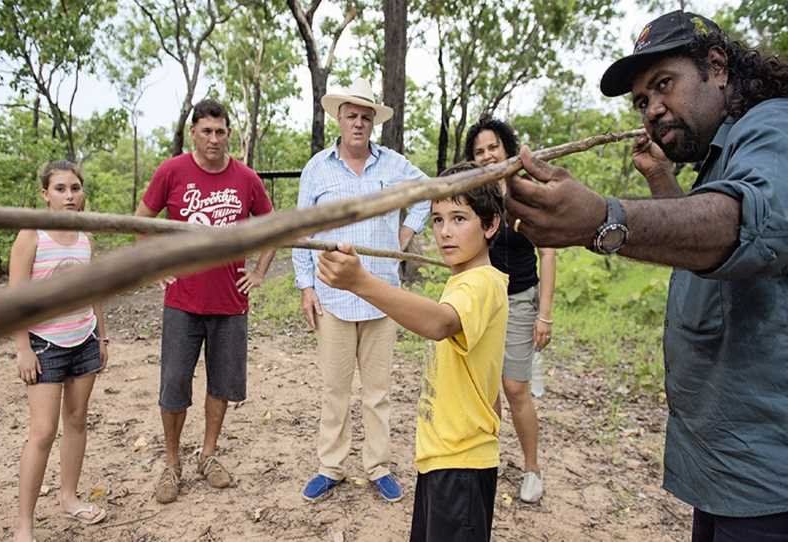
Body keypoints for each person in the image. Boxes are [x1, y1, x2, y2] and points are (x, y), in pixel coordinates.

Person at [503, 11, 788, 541]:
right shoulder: (723, 159)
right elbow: (702, 253)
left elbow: (744, 222)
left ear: (717, 68)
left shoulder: (774, 126)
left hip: (770, 487)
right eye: (641, 101)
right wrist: (660, 177)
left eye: (664, 85)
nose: (653, 110)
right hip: (731, 476)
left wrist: (604, 218)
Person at [318, 162, 508, 541]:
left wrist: (360, 282)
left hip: (461, 466)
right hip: (442, 458)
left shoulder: (481, 283)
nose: (445, 231)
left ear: (490, 225)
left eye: (459, 218)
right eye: (437, 219)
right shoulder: (464, 280)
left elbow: (438, 323)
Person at [292, 78, 431, 503]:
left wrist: (404, 236)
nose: (358, 123)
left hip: (381, 292)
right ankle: (330, 466)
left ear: (374, 123)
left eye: (365, 117)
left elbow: (427, 193)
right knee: (335, 389)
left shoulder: (393, 166)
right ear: (339, 118)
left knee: (377, 391)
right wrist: (306, 287)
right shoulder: (318, 168)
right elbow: (303, 229)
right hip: (333, 295)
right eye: (351, 116)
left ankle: (378, 466)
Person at [135, 99, 275, 504]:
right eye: (206, 131)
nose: (214, 139)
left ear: (228, 133)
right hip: (182, 301)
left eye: (220, 131)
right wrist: (153, 265)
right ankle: (173, 463)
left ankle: (209, 455)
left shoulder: (246, 179)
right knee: (174, 385)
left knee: (223, 385)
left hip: (230, 303)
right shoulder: (172, 171)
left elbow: (272, 227)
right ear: (193, 133)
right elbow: (141, 220)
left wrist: (260, 271)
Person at [10, 161, 108, 542]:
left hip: (83, 338)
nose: (70, 195)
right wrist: (22, 348)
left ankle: (69, 498)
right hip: (44, 345)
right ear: (45, 195)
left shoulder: (86, 236)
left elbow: (95, 290)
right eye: (61, 189)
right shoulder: (31, 236)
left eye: (76, 188)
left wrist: (102, 337)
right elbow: (15, 298)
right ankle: (24, 524)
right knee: (42, 431)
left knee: (78, 419)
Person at [464, 117, 556, 503]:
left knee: (515, 386)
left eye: (493, 147)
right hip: (483, 300)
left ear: (507, 148)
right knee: (486, 386)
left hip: (519, 299)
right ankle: (489, 459)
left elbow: (548, 252)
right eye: (479, 151)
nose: (487, 156)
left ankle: (532, 468)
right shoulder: (473, 194)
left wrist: (544, 314)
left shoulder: (526, 194)